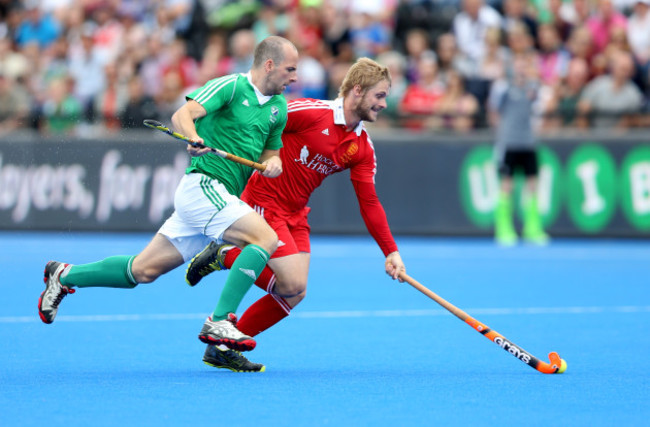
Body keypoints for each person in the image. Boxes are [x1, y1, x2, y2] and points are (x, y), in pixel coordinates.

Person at [37, 36, 299, 354]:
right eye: (290, 69)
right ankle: (219, 320)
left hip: (219, 196)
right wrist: (194, 137)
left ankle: (64, 275)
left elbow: (273, 154)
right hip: (204, 185)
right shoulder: (231, 86)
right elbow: (182, 115)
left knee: (143, 270)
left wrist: (272, 164)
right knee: (264, 239)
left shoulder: (278, 108)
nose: (294, 77)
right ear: (269, 65)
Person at [186, 57, 407, 372]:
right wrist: (217, 138)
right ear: (357, 91)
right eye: (380, 95)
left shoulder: (362, 147)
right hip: (263, 199)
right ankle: (228, 254)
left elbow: (369, 202)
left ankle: (222, 347)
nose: (385, 103)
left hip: (296, 212)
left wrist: (391, 252)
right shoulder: (311, 112)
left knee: (295, 292)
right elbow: (258, 120)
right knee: (289, 281)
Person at [488, 53, 549, 246]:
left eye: (525, 66)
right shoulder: (503, 88)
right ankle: (503, 228)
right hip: (510, 143)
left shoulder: (534, 88)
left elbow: (541, 109)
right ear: (512, 68)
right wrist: (503, 135)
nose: (521, 70)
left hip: (528, 142)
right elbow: (494, 111)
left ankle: (533, 228)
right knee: (507, 184)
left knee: (532, 184)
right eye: (518, 66)